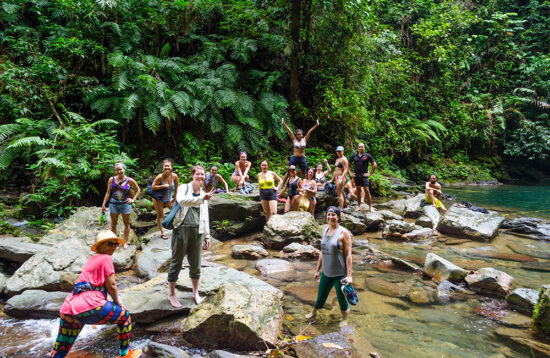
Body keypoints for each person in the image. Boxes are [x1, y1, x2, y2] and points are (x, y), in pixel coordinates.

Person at [47, 230, 141, 358]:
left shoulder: (92, 259)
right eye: (110, 244)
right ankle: (125, 355)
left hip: (69, 309)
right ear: (100, 246)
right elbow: (111, 285)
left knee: (59, 351)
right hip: (91, 306)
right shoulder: (106, 258)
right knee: (125, 317)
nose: (113, 247)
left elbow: (95, 287)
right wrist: (118, 303)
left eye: (115, 244)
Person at [167, 165, 214, 308]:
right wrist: (202, 199)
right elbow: (181, 201)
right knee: (177, 262)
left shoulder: (203, 192)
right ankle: (172, 294)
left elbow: (205, 215)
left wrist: (207, 235)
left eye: (202, 175)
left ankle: (195, 293)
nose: (200, 176)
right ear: (192, 175)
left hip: (197, 232)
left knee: (196, 264)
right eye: (198, 174)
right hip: (181, 230)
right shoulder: (184, 188)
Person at [307, 207, 353, 327]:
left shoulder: (344, 233)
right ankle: (314, 312)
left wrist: (349, 276)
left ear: (338, 217)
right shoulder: (325, 230)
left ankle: (345, 319)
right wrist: (317, 270)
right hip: (326, 273)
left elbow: (348, 255)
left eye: (333, 215)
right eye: (329, 214)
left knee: (342, 300)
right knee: (321, 296)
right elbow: (322, 251)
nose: (331, 217)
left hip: (339, 274)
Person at [101, 161, 140, 248]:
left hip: (125, 204)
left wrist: (133, 199)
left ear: (124, 169)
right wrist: (104, 204)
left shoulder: (130, 180)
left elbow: (138, 189)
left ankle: (124, 242)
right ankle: (115, 242)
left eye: (120, 169)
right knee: (113, 224)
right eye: (117, 170)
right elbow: (108, 193)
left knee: (126, 224)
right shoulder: (111, 180)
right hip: (113, 204)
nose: (119, 172)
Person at [151, 160, 179, 240]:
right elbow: (153, 187)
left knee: (175, 211)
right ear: (163, 168)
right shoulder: (160, 177)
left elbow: (176, 187)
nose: (167, 167)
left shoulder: (174, 176)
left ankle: (175, 226)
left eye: (168, 166)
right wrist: (163, 186)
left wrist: (175, 197)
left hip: (168, 198)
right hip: (158, 198)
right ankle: (162, 232)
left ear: (171, 167)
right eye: (165, 166)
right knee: (160, 215)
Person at [349, 142, 377, 212]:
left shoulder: (367, 156)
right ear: (357, 148)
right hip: (356, 176)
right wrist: (350, 173)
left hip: (364, 176)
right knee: (358, 191)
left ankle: (370, 207)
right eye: (359, 147)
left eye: (362, 147)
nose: (361, 148)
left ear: (364, 148)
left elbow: (374, 165)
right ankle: (359, 206)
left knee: (366, 190)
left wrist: (370, 173)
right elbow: (348, 164)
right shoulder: (354, 156)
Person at [328, 146, 349, 211]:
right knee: (342, 191)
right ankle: (345, 204)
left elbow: (345, 169)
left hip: (341, 177)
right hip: (337, 177)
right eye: (337, 151)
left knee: (339, 193)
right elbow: (335, 170)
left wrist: (341, 178)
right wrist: (332, 179)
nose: (338, 153)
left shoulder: (344, 159)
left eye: (340, 151)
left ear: (343, 151)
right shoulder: (337, 160)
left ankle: (341, 209)